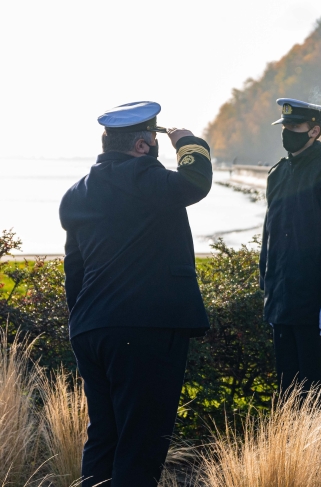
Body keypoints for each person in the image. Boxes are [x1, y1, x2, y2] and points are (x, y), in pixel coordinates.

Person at [59, 101, 212, 486]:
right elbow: (196, 182)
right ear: (143, 146)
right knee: (141, 444)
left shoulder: (76, 194)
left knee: (104, 438)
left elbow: (73, 272)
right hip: (146, 330)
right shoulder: (146, 178)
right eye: (155, 140)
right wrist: (188, 143)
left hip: (90, 329)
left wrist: (84, 320)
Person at [259, 98, 321, 390]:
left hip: (313, 301)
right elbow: (270, 233)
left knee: (313, 388)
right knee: (287, 387)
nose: (287, 130)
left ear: (315, 131)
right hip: (281, 299)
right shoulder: (277, 173)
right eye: (285, 125)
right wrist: (266, 283)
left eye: (295, 125)